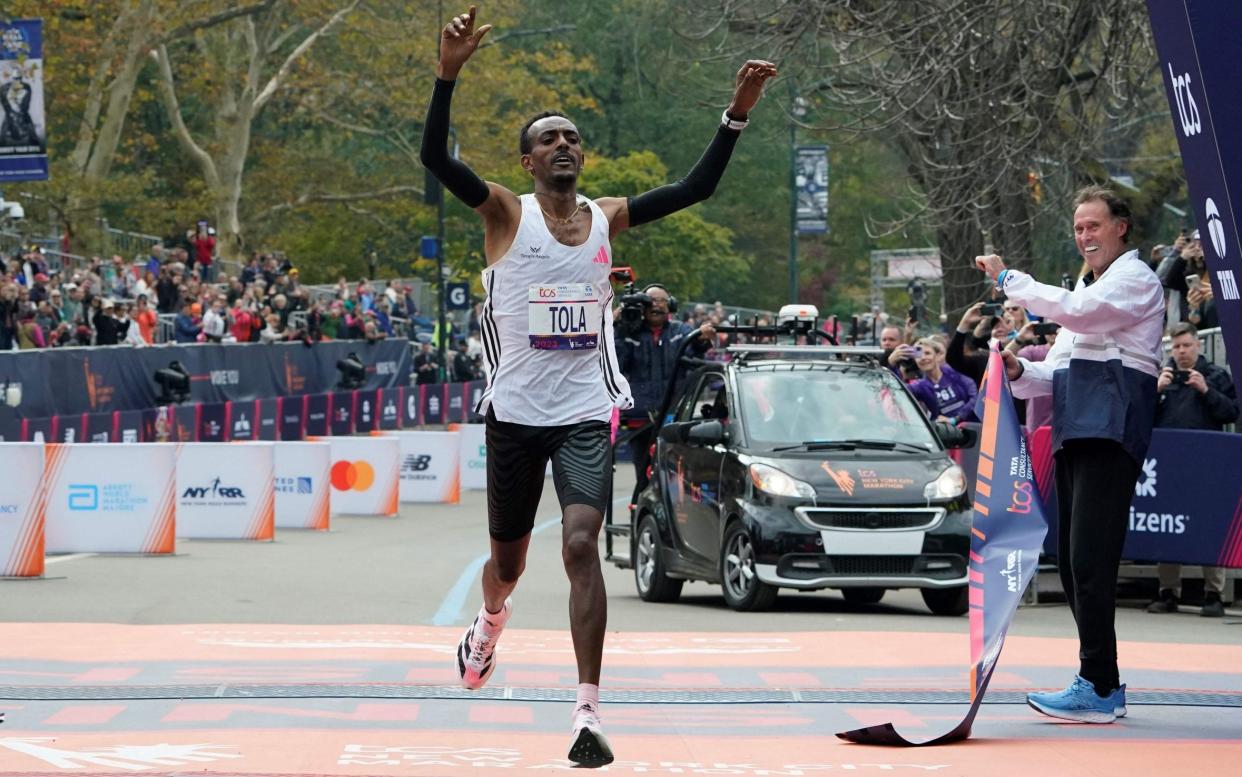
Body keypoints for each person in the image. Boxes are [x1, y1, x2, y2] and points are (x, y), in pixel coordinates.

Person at [419, 6, 775, 766]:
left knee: (582, 544)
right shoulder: (506, 214)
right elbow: (437, 162)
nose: (563, 144)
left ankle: (586, 712)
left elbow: (695, 189)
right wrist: (447, 76)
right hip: (514, 415)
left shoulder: (608, 215)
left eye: (572, 136)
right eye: (548, 138)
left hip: (585, 411)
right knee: (508, 565)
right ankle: (487, 624)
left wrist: (734, 118)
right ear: (526, 163)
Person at [977, 186, 1164, 724]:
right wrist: (1016, 372)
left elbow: (1079, 314)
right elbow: (1052, 372)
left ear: (1121, 227)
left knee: (1089, 560)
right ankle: (1098, 681)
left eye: (1094, 226)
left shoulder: (1135, 278)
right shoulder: (1089, 284)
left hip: (1109, 427)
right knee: (1075, 561)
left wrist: (1010, 280)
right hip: (1077, 428)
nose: (1084, 236)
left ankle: (1100, 684)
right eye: (1078, 228)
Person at [1146, 323, 1238, 617]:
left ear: (1198, 345)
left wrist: (1206, 390)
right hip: (1169, 465)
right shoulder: (1162, 377)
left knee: (1209, 526)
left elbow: (1231, 412)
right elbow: (1139, 417)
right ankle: (1168, 591)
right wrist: (1155, 390)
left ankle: (1214, 594)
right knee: (1167, 525)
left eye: (1186, 345)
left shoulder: (1215, 375)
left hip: (1206, 466)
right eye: (1176, 347)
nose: (1182, 351)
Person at [615, 283, 715, 496]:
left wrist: (702, 341)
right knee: (644, 475)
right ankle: (642, 517)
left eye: (660, 300)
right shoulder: (628, 333)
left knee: (674, 475)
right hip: (641, 420)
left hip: (674, 417)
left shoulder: (681, 332)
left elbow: (697, 354)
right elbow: (618, 365)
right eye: (650, 301)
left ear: (670, 305)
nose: (655, 306)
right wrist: (616, 325)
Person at [908, 337, 976, 422]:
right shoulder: (919, 386)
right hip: (948, 432)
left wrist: (956, 419)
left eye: (927, 353)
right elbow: (896, 390)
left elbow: (975, 397)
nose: (923, 358)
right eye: (918, 356)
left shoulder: (955, 372)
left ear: (937, 356)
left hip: (974, 426)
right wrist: (892, 364)